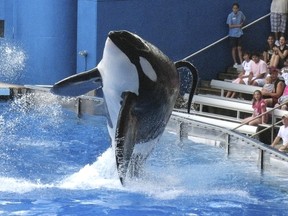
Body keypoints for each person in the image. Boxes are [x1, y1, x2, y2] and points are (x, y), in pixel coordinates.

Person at [226, 3, 246, 68]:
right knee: (234, 48)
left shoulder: (240, 13)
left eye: (236, 8)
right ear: (232, 9)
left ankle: (241, 62)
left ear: (238, 9)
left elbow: (244, 19)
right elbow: (230, 26)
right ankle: (235, 63)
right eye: (234, 8)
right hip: (232, 34)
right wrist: (238, 25)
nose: (235, 9)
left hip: (239, 33)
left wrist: (242, 24)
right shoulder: (230, 15)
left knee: (239, 48)